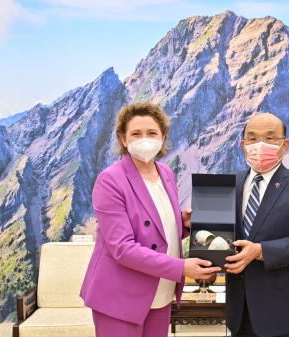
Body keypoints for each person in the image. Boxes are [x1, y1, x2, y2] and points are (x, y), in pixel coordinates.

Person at [80, 103, 221, 337]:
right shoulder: (110, 180)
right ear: (123, 139)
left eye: (152, 133)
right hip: (121, 295)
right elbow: (122, 248)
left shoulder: (165, 173)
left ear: (163, 138)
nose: (144, 139)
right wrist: (181, 267)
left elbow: (154, 224)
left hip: (161, 291)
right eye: (136, 134)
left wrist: (182, 223)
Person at [224, 113, 289, 337]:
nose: (260, 145)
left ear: (284, 145)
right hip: (240, 312)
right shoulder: (229, 184)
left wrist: (261, 251)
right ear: (243, 145)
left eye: (270, 138)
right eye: (252, 139)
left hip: (286, 313)